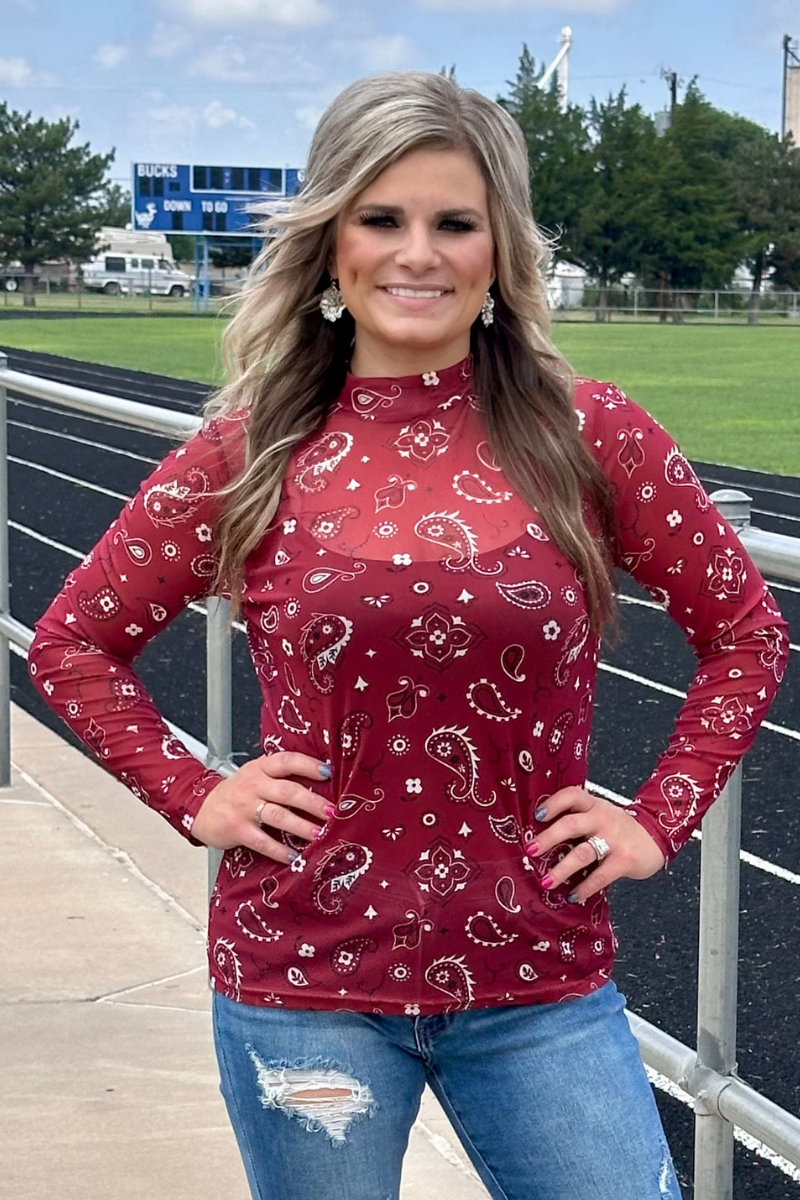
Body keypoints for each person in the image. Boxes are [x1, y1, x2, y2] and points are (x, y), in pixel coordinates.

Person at [28, 71, 789, 1200]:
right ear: (330, 241)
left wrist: (656, 817)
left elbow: (744, 630)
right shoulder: (252, 451)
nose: (416, 254)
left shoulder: (593, 438)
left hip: (537, 982)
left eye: (454, 222)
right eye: (381, 218)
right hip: (302, 990)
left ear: (499, 249)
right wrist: (198, 795)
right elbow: (72, 643)